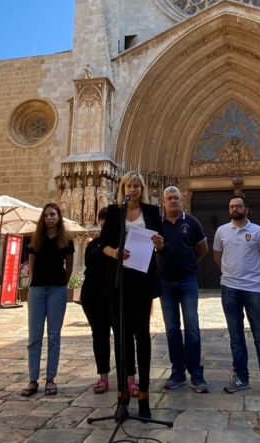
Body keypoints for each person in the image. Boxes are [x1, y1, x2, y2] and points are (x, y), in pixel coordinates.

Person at [99, 171, 162, 419]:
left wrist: (160, 244)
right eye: (129, 186)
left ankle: (144, 398)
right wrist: (114, 252)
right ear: (122, 188)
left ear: (142, 188)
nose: (133, 190)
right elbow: (103, 244)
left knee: (142, 337)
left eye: (137, 186)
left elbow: (161, 244)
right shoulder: (114, 212)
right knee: (122, 338)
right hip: (119, 282)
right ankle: (122, 398)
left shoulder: (152, 212)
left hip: (143, 281)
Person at [214, 194, 260, 397]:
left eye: (238, 206)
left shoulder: (258, 232)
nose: (235, 209)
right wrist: (231, 274)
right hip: (230, 288)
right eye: (232, 206)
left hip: (252, 289)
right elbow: (217, 257)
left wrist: (255, 278)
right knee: (236, 336)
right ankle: (240, 377)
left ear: (246, 209)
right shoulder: (221, 231)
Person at [154, 185, 209, 392]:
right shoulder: (157, 224)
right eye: (169, 198)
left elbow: (203, 248)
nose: (173, 201)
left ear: (181, 200)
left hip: (187, 281)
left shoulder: (192, 222)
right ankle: (178, 372)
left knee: (192, 326)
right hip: (165, 282)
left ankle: (196, 373)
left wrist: (189, 262)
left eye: (176, 197)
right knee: (172, 329)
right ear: (163, 202)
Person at [19, 203, 75, 397]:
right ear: (43, 219)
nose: (49, 218)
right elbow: (32, 266)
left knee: (53, 336)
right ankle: (32, 379)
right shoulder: (36, 239)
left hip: (57, 290)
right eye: (46, 215)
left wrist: (62, 284)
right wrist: (33, 284)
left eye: (53, 214)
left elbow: (69, 266)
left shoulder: (66, 239)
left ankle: (50, 379)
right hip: (37, 290)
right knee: (34, 336)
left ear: (59, 216)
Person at [81, 208, 114, 394]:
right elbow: (91, 264)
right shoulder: (92, 245)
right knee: (99, 335)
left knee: (123, 335)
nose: (105, 222)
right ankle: (103, 375)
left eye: (109, 219)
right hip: (94, 296)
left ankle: (128, 377)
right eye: (103, 219)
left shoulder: (121, 242)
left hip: (115, 295)